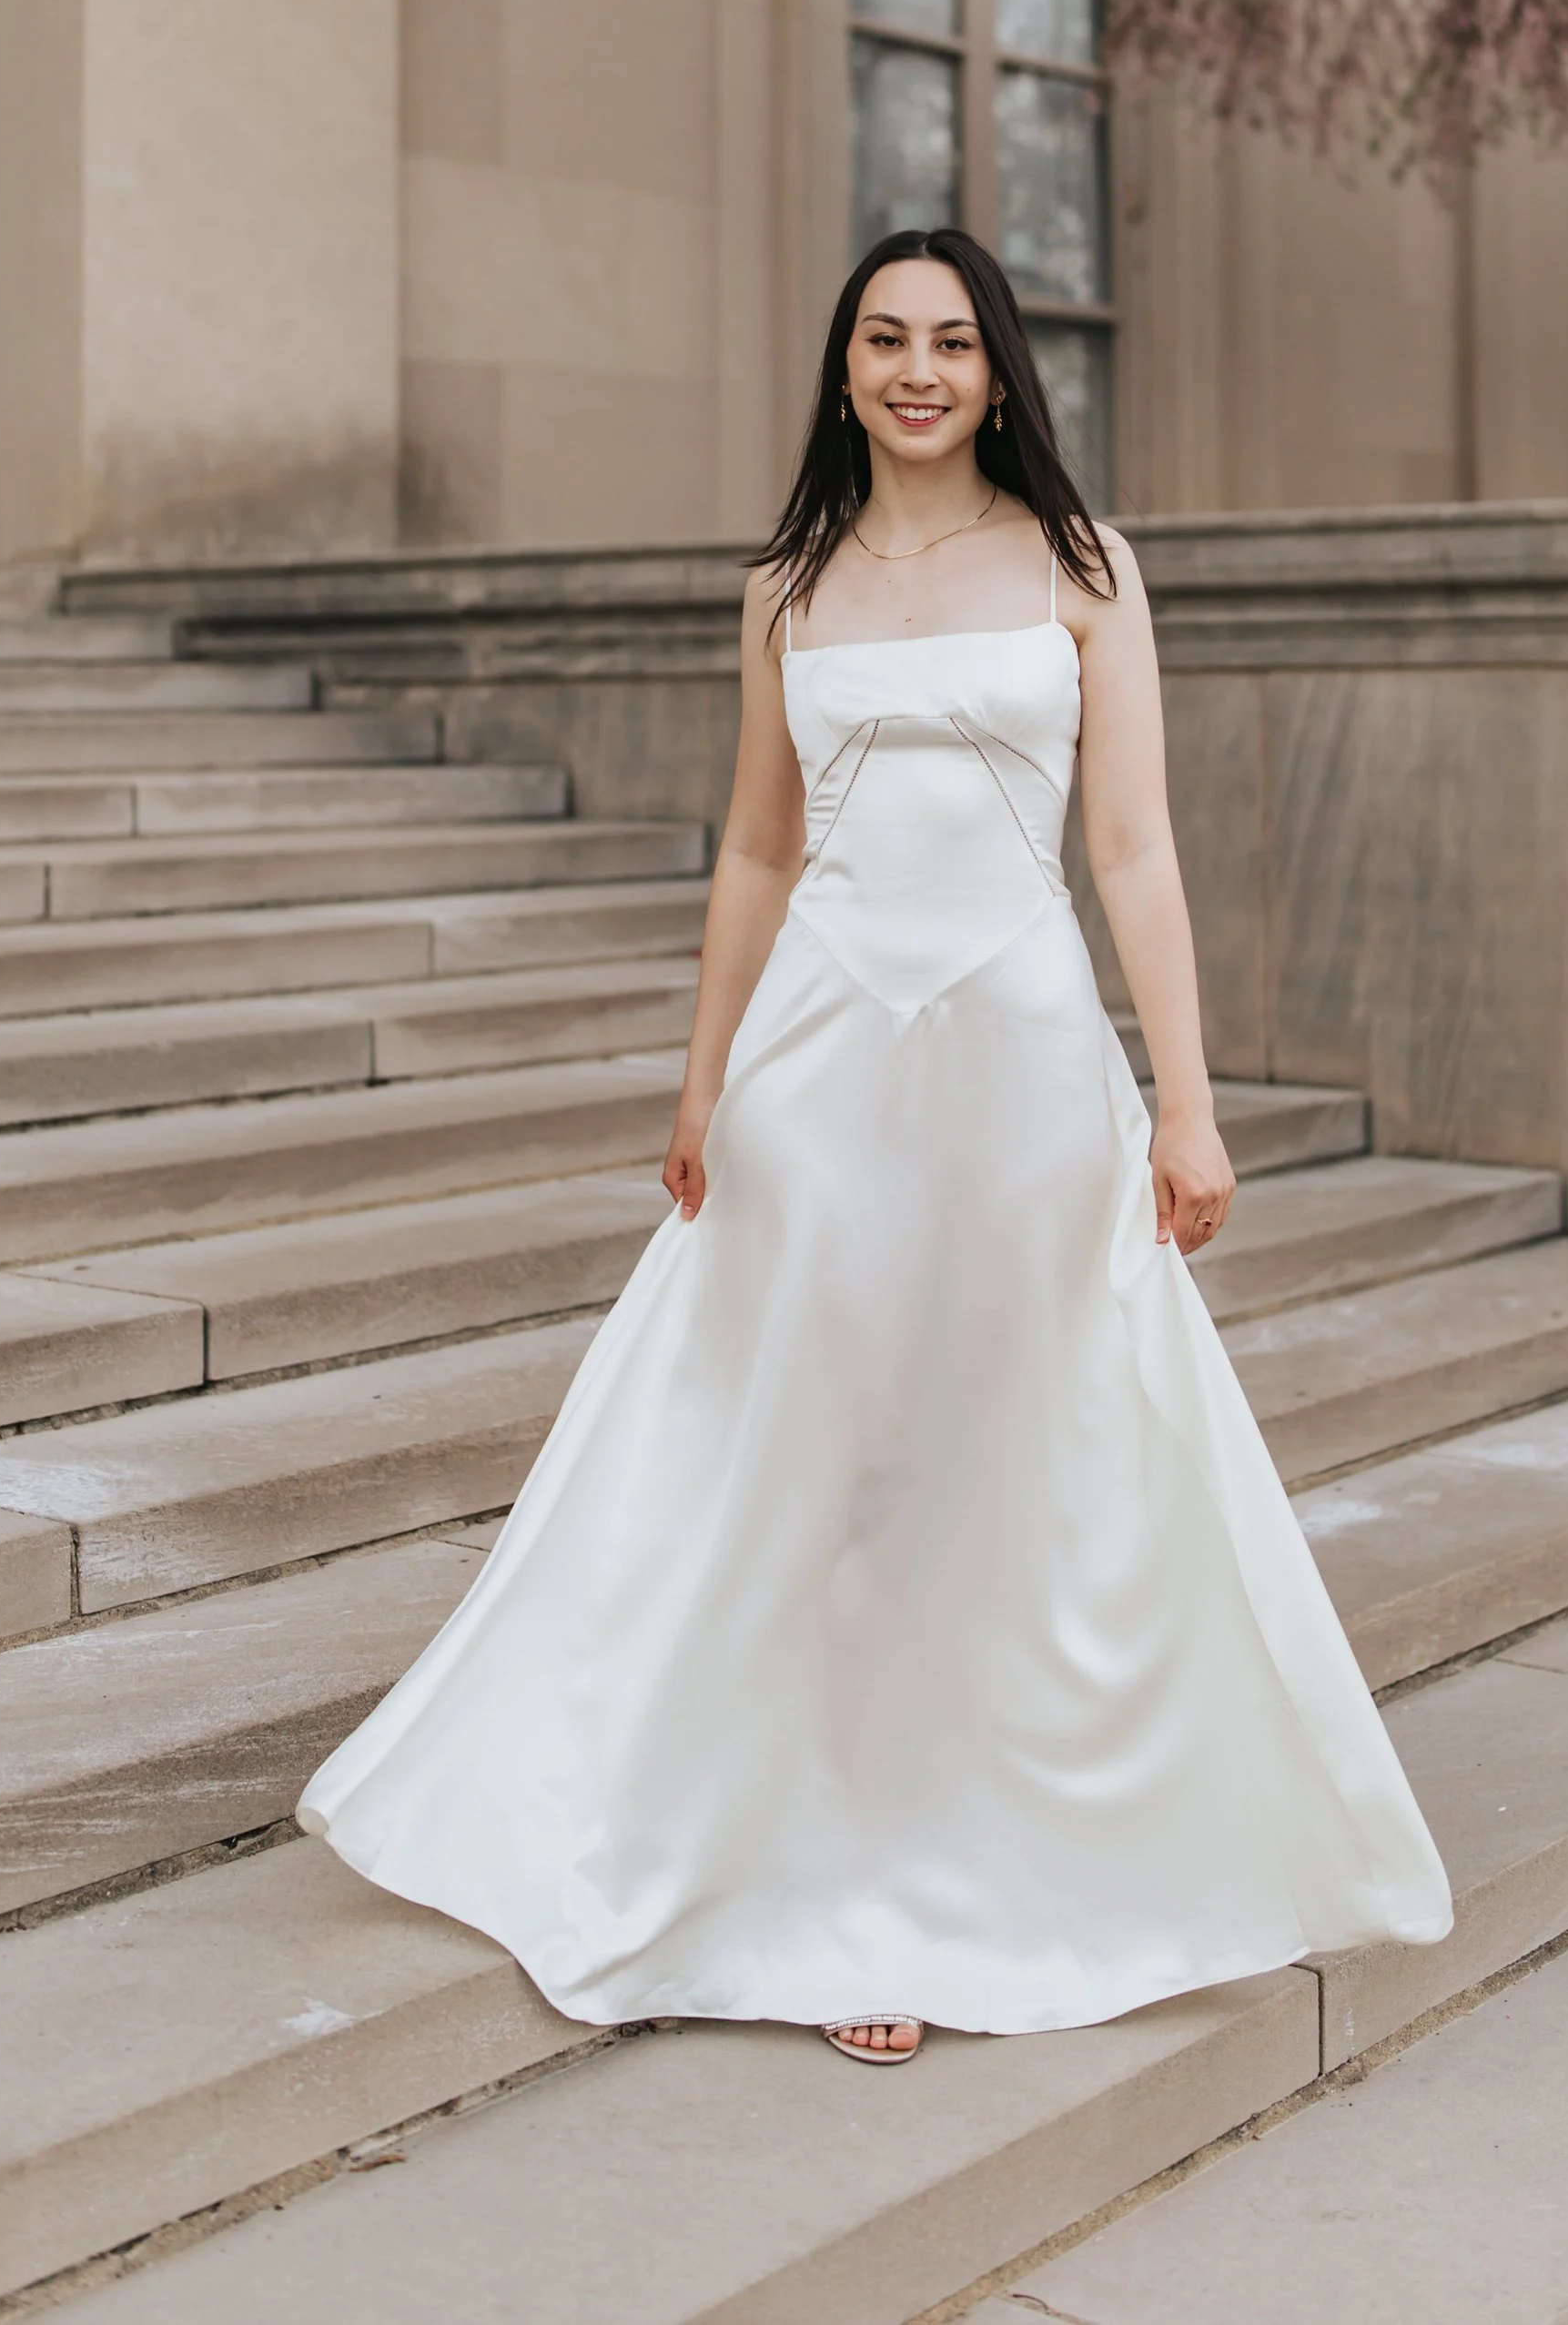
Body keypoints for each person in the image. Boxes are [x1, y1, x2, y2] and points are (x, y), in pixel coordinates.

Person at [298, 228, 1452, 2064]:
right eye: (882, 339)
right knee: (819, 1451)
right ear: (842, 368)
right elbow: (756, 851)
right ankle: (828, 1886)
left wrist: (1185, 1095)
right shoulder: (785, 586)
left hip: (1016, 1062)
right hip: (815, 1071)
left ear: (997, 369)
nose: (917, 368)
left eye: (951, 341)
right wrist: (699, 1081)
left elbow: (1131, 850)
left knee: (995, 1446)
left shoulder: (1081, 569)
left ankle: (974, 1872)